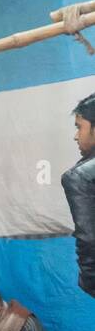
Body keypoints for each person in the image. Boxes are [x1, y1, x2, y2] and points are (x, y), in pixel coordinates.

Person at [61, 92, 95, 298]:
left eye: (79, 127)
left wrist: (90, 283)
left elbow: (89, 239)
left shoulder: (79, 177)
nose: (76, 136)